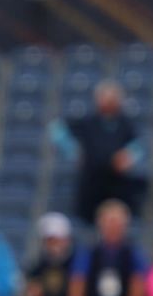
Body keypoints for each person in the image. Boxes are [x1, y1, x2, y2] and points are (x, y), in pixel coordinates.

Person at [61, 82, 145, 223]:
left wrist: (128, 156)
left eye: (113, 99)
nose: (109, 103)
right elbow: (57, 130)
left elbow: (139, 145)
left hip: (117, 183)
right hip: (91, 182)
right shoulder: (87, 122)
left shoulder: (125, 124)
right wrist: (73, 152)